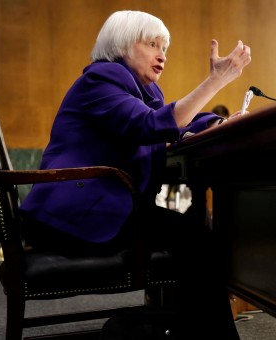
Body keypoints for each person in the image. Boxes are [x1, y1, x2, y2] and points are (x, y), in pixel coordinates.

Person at [19, 10, 250, 339]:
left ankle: (173, 327)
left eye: (165, 48)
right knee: (199, 240)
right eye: (152, 44)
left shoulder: (142, 92)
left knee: (196, 234)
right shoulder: (100, 81)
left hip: (106, 206)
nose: (162, 55)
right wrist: (216, 80)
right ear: (122, 45)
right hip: (72, 217)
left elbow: (168, 119)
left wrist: (219, 122)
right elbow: (154, 125)